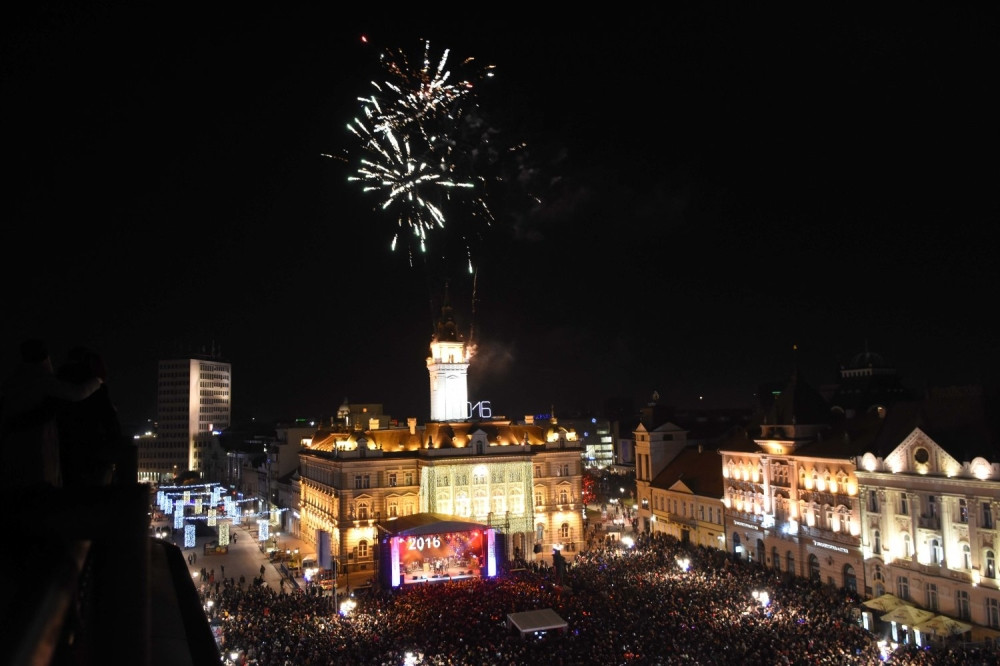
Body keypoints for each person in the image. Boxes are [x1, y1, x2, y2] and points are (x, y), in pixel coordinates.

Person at [0, 339, 102, 488]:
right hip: (36, 445)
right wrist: (97, 381)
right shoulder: (42, 379)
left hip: (13, 444)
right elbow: (76, 393)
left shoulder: (12, 382)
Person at [54, 346, 127, 487]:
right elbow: (110, 424)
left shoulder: (57, 384)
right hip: (93, 454)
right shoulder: (95, 387)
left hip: (63, 452)